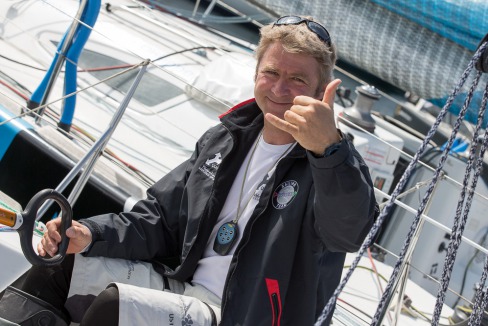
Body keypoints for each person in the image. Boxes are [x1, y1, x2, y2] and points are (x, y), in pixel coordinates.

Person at [0, 15, 377, 325]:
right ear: (256, 72)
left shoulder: (332, 165)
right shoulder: (225, 140)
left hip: (233, 316)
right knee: (57, 264)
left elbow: (351, 234)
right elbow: (160, 220)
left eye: (297, 80)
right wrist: (90, 233)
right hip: (181, 288)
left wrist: (328, 149)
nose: (279, 89)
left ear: (321, 89)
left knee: (115, 309)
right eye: (271, 72)